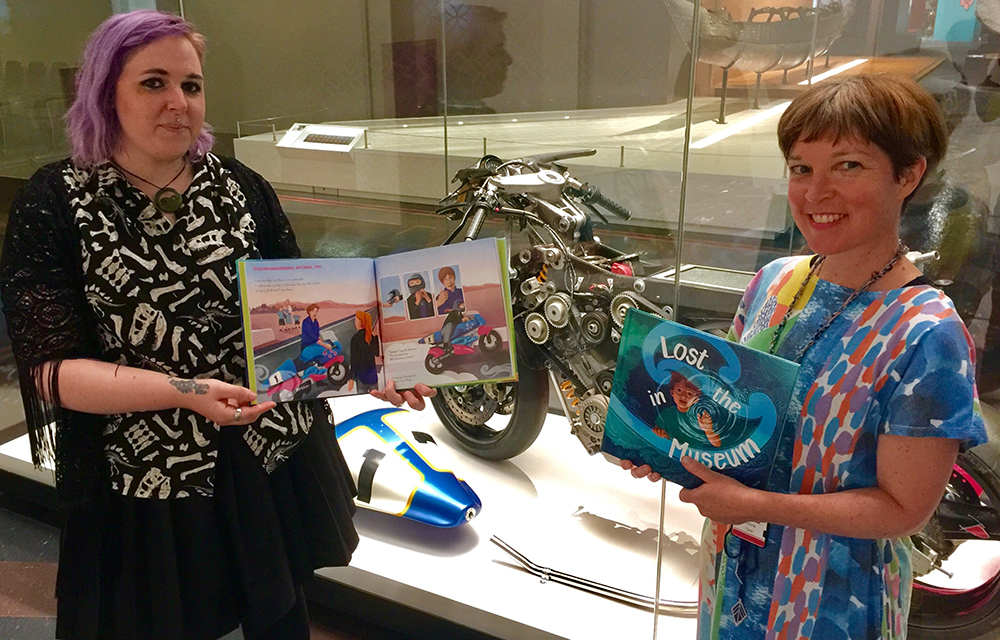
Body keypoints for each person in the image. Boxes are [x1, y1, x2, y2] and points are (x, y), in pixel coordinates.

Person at [0, 11, 432, 640]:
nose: (179, 103)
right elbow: (50, 371)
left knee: (279, 610)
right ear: (104, 92)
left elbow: (306, 316)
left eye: (192, 85)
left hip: (263, 448)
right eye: (154, 83)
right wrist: (185, 393)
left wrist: (370, 371)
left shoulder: (241, 188)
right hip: (146, 471)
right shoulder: (58, 202)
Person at [623, 75, 987, 639]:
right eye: (801, 169)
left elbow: (904, 509)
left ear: (908, 174)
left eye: (848, 166)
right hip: (733, 574)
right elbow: (735, 418)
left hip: (831, 600)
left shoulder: (928, 333)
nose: (816, 194)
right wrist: (665, 446)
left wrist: (755, 503)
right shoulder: (774, 282)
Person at [650, 370, 721, 447]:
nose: (683, 396)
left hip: (694, 456)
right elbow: (657, 431)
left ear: (696, 399)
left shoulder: (700, 417)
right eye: (679, 390)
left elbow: (717, 444)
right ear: (672, 392)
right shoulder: (667, 414)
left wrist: (708, 430)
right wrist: (660, 433)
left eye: (689, 393)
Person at [347, 310, 380, 393]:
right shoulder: (371, 337)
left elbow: (354, 360)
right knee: (376, 396)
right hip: (372, 374)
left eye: (356, 320)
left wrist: (351, 378)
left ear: (360, 322)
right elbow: (376, 353)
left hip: (361, 376)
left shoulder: (355, 338)